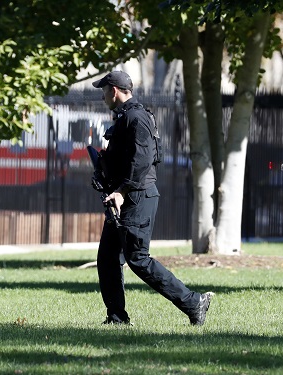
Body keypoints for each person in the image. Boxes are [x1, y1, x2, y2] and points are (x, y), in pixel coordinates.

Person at [91, 71, 214, 326]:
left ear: (113, 90)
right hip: (122, 196)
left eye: (104, 91)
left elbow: (142, 162)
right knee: (107, 258)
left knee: (138, 258)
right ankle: (116, 318)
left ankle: (193, 303)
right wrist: (104, 171)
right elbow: (127, 159)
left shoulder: (137, 118)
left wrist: (121, 191)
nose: (102, 97)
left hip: (137, 198)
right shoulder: (126, 117)